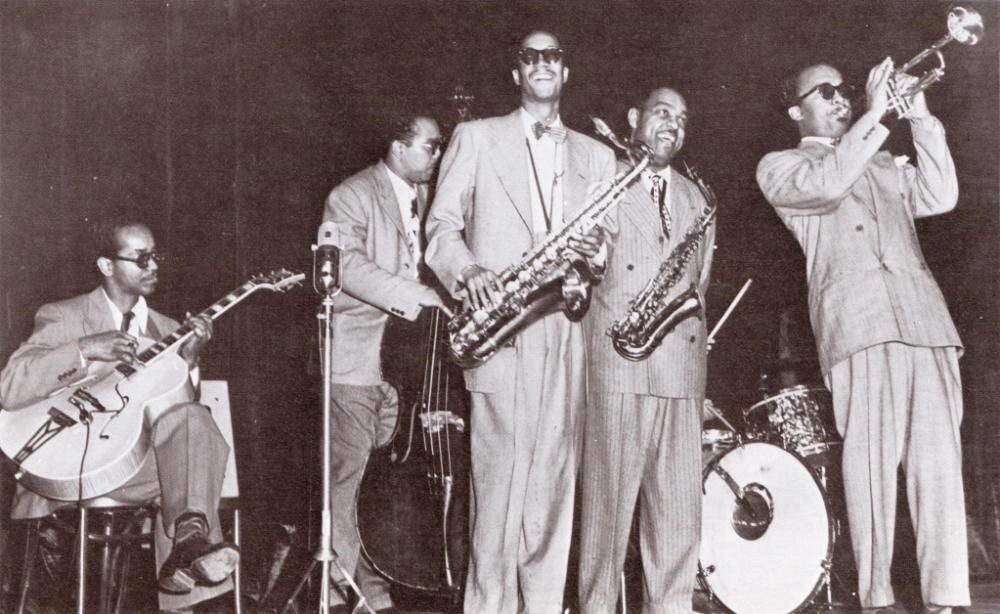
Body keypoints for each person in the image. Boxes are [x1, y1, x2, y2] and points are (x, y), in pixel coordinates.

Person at [756, 58, 969, 614]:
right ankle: (877, 597)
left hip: (924, 323)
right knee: (870, 467)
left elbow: (942, 194)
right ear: (795, 110)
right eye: (822, 92)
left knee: (939, 467)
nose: (839, 97)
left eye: (843, 90)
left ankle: (946, 598)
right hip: (860, 328)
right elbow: (828, 186)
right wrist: (875, 113)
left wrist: (919, 116)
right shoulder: (782, 166)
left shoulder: (878, 159)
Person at [425, 30, 616, 614]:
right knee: (499, 493)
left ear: (566, 71)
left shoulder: (598, 154)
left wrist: (594, 249)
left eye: (552, 55)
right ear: (516, 74)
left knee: (553, 495)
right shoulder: (476, 137)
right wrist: (470, 271)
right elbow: (440, 231)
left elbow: (605, 245)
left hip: (564, 332)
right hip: (498, 328)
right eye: (529, 57)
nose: (541, 64)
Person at [0, 215, 238, 610]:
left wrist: (189, 363)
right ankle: (190, 555)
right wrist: (85, 350)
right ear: (106, 266)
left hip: (133, 469)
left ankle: (189, 544)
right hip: (71, 467)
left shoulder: (168, 329)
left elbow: (178, 422)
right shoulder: (65, 316)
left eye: (156, 256)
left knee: (196, 427)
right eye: (141, 258)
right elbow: (9, 388)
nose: (153, 265)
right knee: (189, 488)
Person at [577, 86, 715, 614]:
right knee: (605, 525)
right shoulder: (602, 177)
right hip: (618, 369)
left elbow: (698, 293)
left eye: (682, 119)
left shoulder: (697, 199)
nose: (673, 125)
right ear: (633, 117)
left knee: (679, 524)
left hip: (680, 375)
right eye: (662, 112)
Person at [321, 111, 448, 614]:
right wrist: (421, 296)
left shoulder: (427, 199)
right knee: (350, 478)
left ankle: (373, 593)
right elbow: (347, 265)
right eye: (431, 147)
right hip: (357, 361)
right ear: (399, 146)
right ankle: (336, 595)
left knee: (384, 482)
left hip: (407, 369)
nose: (438, 156)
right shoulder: (350, 195)